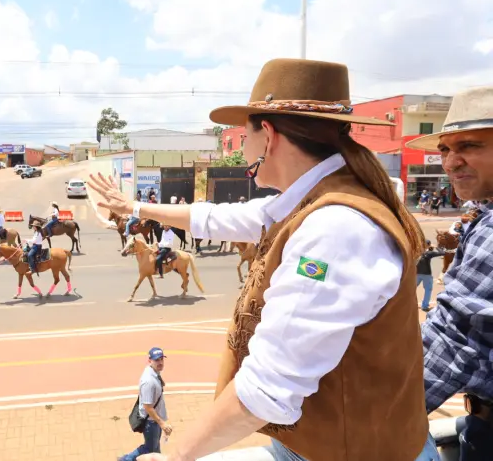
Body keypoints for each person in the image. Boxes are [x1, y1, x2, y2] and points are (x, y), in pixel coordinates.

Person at [89, 58, 438, 461]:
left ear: (268, 136)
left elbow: (267, 390)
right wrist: (133, 207)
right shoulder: (316, 198)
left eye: (244, 135)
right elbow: (219, 218)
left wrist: (174, 457)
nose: (241, 148)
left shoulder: (333, 228)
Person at [406, 86, 493, 460]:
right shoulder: (482, 215)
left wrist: (366, 414)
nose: (451, 162)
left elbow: (456, 341)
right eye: (444, 149)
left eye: (470, 146)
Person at [118, 347, 172, 461]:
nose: (160, 362)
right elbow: (148, 407)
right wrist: (162, 423)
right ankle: (126, 460)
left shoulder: (153, 372)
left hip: (154, 421)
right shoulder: (148, 381)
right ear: (150, 361)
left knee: (154, 448)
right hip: (151, 422)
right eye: (157, 360)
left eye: (161, 359)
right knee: (149, 449)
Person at [416, 240, 445, 312]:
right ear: (428, 245)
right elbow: (443, 253)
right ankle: (424, 306)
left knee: (412, 289)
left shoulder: (417, 251)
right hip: (426, 274)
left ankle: (409, 304)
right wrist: (437, 247)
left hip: (417, 273)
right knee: (428, 290)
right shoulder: (429, 253)